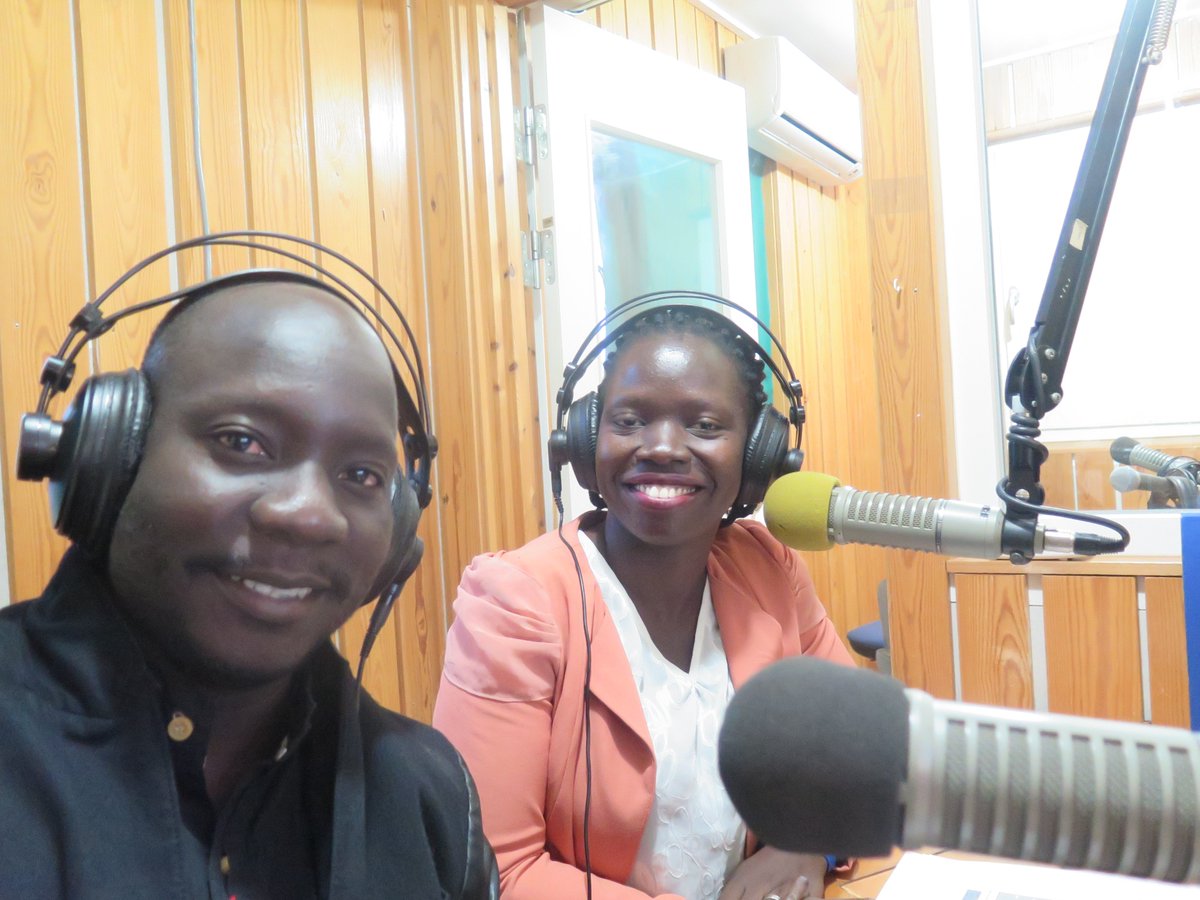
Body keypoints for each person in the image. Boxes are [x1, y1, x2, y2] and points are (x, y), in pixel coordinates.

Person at [0, 258, 498, 899]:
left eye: (362, 476)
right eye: (242, 442)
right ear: (110, 454)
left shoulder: (431, 796)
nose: (309, 515)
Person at [433, 303, 855, 900]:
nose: (661, 447)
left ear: (758, 457)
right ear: (587, 440)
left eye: (704, 425)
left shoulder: (769, 568)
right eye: (629, 421)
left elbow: (859, 755)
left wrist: (804, 844)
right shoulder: (515, 604)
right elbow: (496, 870)